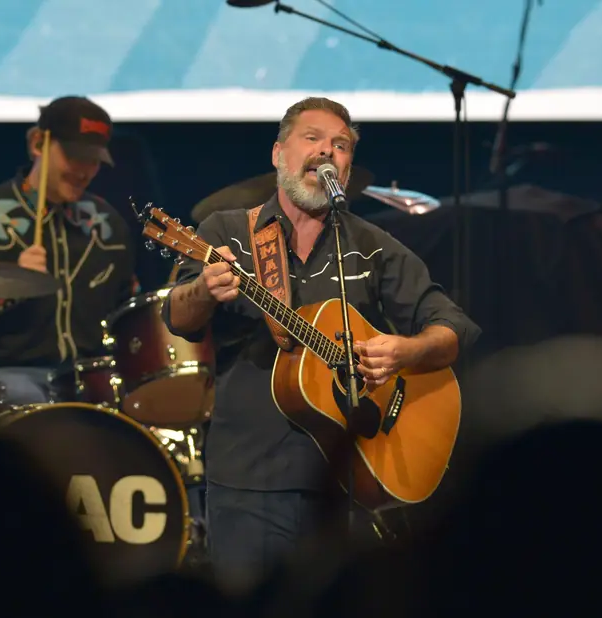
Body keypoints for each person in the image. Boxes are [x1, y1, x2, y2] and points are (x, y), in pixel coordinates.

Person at [162, 96, 481, 591]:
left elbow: (452, 328)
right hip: (252, 476)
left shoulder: (371, 245)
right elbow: (179, 317)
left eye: (341, 145)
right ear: (278, 154)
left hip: (348, 480)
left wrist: (405, 351)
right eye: (311, 138)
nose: (327, 151)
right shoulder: (227, 231)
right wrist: (204, 289)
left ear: (348, 167)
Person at [0, 96, 139, 405]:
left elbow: (128, 310)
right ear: (38, 143)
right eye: (74, 157)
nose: (84, 171)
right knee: (26, 398)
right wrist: (8, 286)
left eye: (94, 161)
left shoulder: (107, 224)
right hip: (3, 374)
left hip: (87, 376)